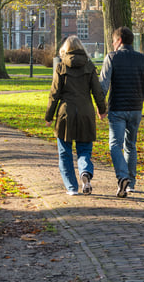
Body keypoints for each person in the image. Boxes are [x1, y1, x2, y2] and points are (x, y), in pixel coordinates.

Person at [45, 36, 107, 196]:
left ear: (65, 49)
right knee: (84, 149)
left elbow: (54, 94)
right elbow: (97, 91)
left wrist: (49, 116)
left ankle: (72, 188)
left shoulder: (60, 67)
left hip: (66, 113)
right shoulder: (89, 65)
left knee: (64, 152)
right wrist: (102, 110)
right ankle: (85, 173)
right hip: (86, 112)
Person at [99, 27, 144, 198]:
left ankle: (123, 176)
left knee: (115, 144)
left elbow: (103, 85)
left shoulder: (112, 57)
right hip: (136, 108)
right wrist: (140, 99)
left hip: (118, 109)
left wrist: (102, 107)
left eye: (114, 41)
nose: (113, 45)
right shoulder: (143, 59)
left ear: (119, 41)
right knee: (131, 145)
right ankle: (131, 184)